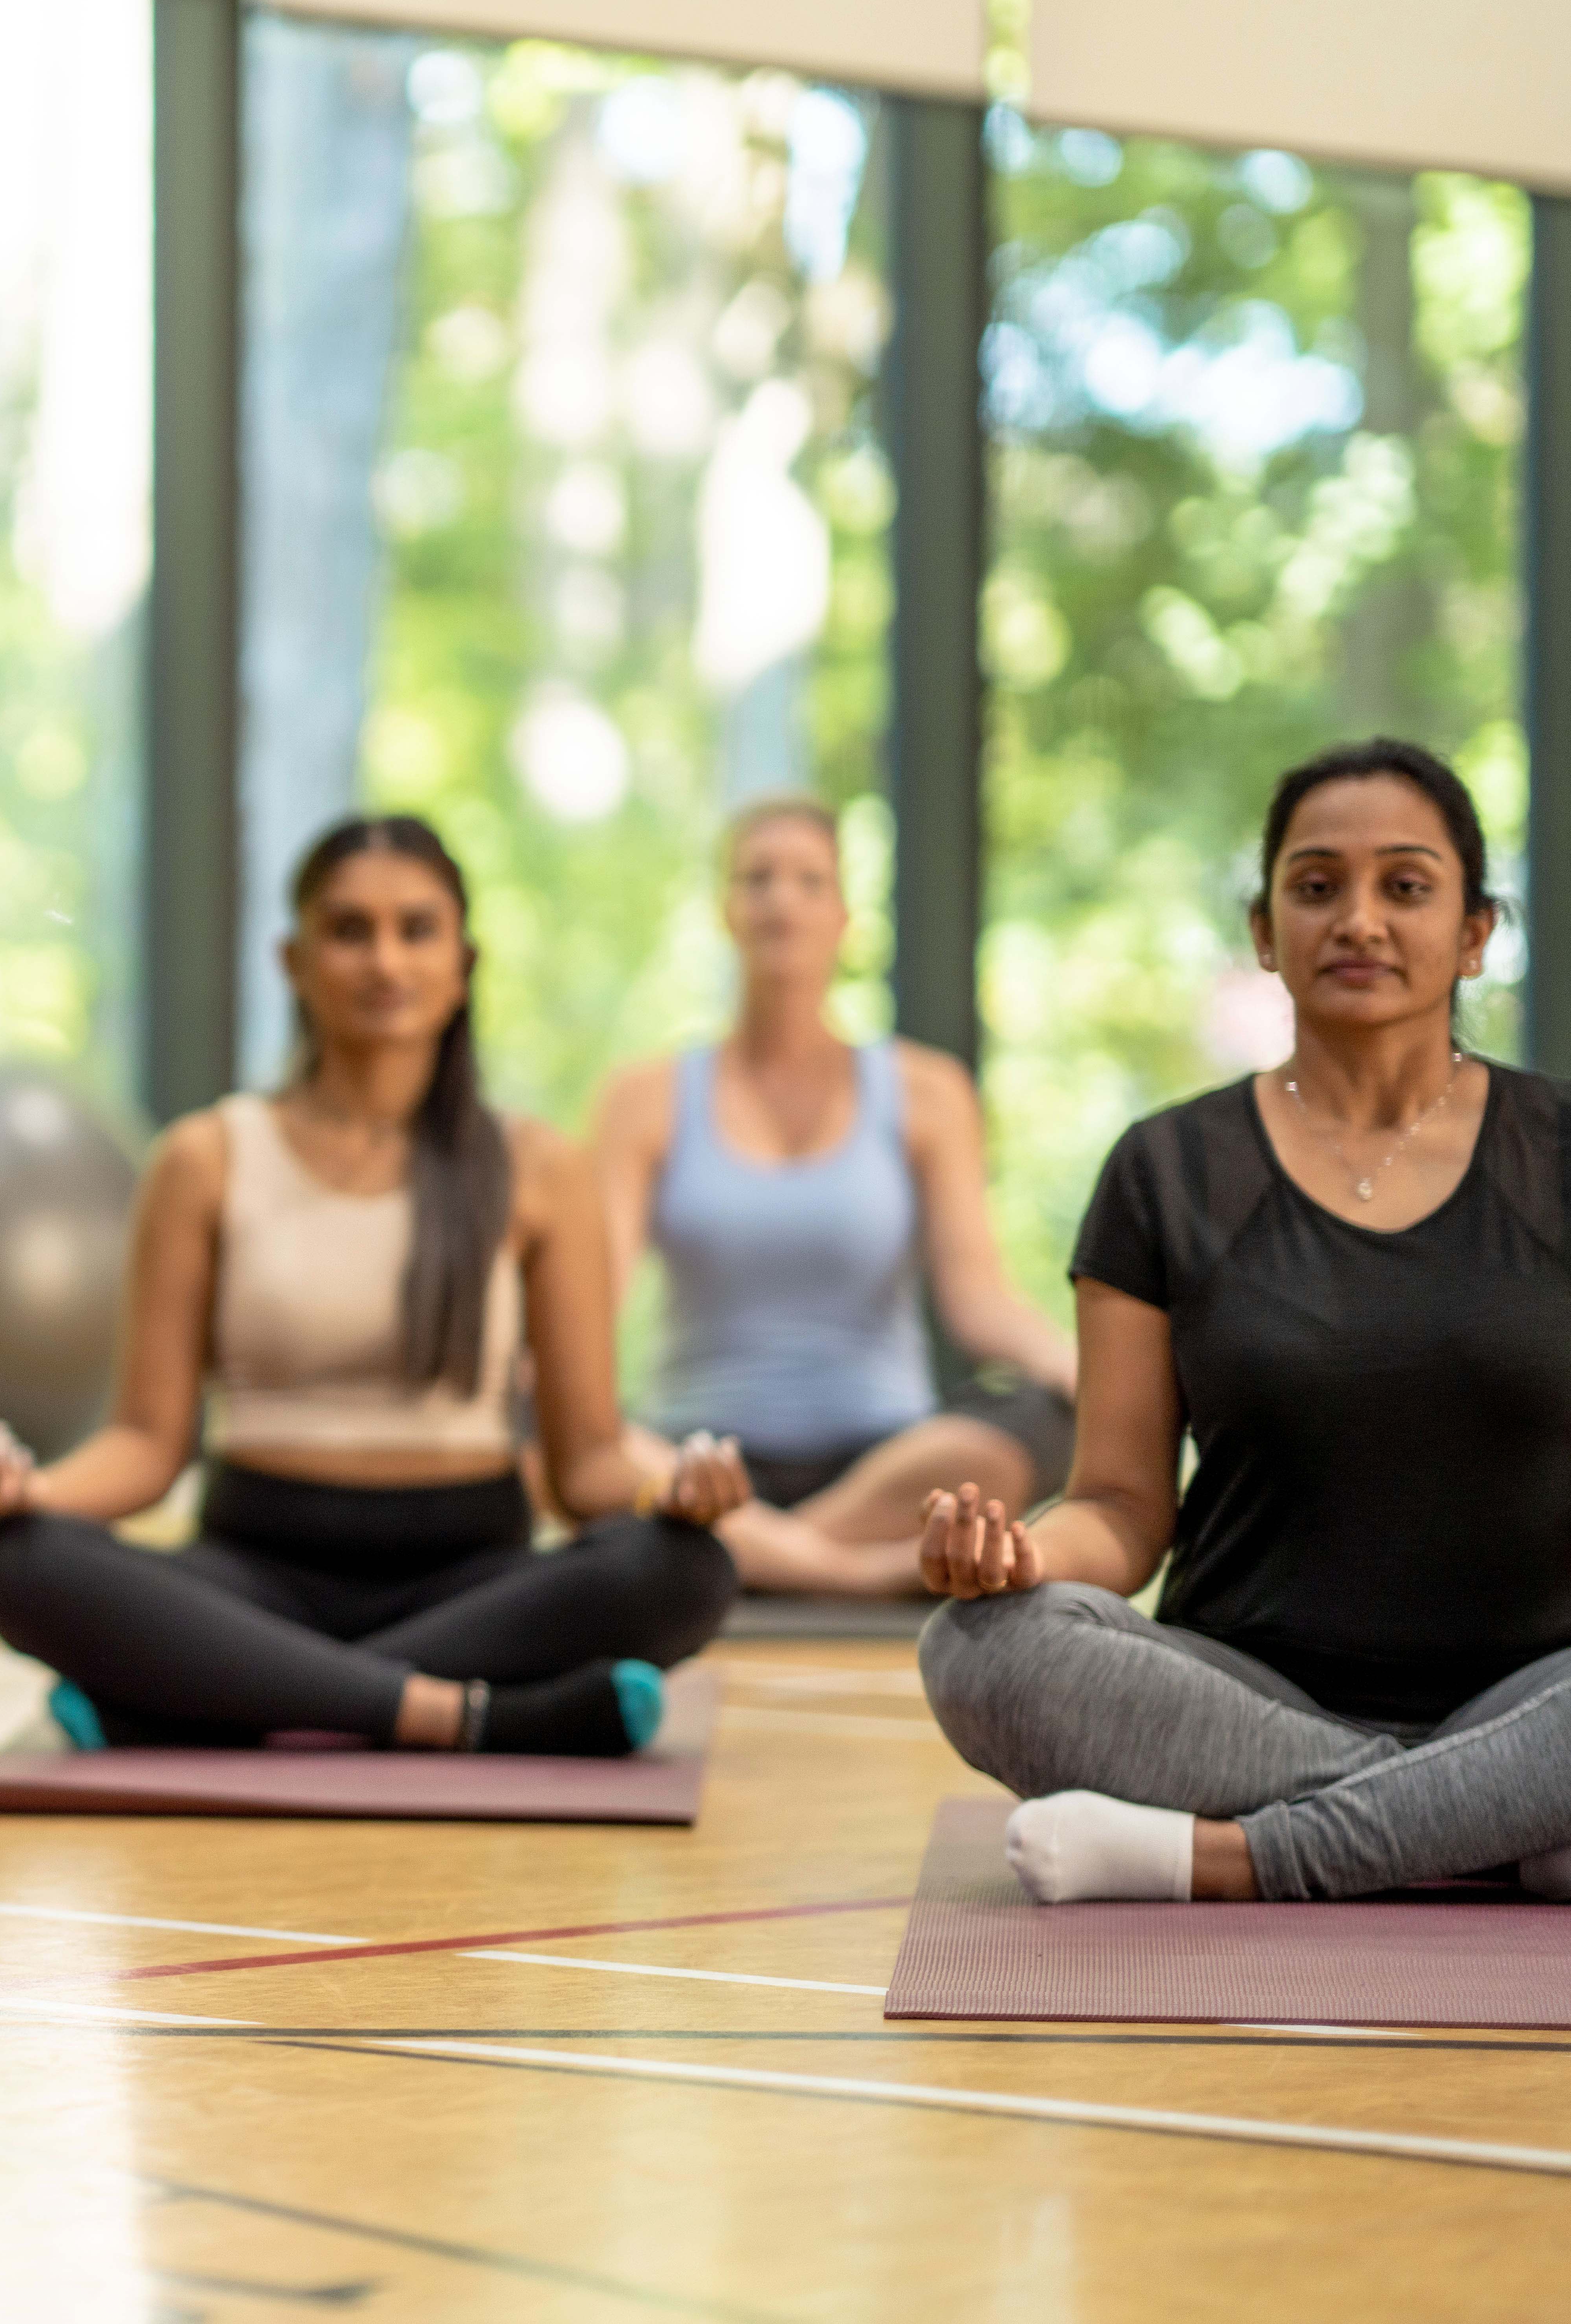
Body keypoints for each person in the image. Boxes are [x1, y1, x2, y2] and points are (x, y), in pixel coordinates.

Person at [918, 739, 1571, 1904]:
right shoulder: (1165, 1171)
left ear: (1476, 931)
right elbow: (1121, 1506)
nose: (1359, 920)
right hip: (1242, 1702)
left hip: (1536, 1695)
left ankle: (1247, 1856)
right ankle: (1495, 1834)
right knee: (978, 1649)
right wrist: (1024, 1556)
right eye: (1317, 886)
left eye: (1406, 886)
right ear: (1266, 931)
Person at [0, 816, 747, 1760]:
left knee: (686, 1569)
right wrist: (30, 1490)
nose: (385, 960)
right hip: (252, 1572)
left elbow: (587, 1467)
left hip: (473, 1579)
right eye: (350, 930)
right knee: (20, 1561)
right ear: (294, 960)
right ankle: (464, 1714)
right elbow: (146, 1442)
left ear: (463, 963)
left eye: (417, 929)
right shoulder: (203, 1159)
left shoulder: (537, 1166)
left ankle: (218, 1697)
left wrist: (671, 1491)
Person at [590, 798, 1077, 1596]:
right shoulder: (643, 1098)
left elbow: (978, 1300)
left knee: (1034, 1424)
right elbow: (589, 1307)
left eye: (809, 880)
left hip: (887, 1463)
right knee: (554, 1432)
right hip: (700, 1466)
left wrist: (1084, 1372)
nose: (781, 899)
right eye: (757, 879)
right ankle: (853, 1574)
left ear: (844, 916)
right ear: (724, 910)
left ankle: (742, 1559)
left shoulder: (927, 1092)